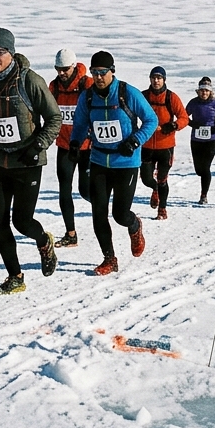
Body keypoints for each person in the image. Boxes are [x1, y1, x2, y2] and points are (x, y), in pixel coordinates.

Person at [0, 28, 60, 295]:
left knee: (22, 221)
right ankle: (15, 276)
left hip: (27, 161)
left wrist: (38, 145)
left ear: (11, 53)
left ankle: (43, 241)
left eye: (0, 52)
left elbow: (54, 118)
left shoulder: (29, 81)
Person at [68, 51, 156, 275]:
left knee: (120, 214)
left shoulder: (127, 93)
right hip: (99, 160)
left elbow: (151, 120)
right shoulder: (88, 97)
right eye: (94, 73)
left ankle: (134, 225)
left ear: (112, 71)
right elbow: (80, 124)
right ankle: (109, 259)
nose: (98, 77)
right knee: (98, 213)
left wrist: (135, 141)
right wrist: (75, 144)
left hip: (126, 162)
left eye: (102, 72)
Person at [48, 48, 91, 247]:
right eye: (58, 69)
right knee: (64, 190)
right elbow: (48, 112)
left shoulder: (86, 85)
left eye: (65, 69)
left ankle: (107, 209)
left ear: (73, 66)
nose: (61, 73)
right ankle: (71, 234)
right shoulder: (54, 87)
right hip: (65, 146)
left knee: (85, 190)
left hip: (87, 147)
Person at [141, 66, 189, 220]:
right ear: (150, 79)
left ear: (164, 80)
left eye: (159, 78)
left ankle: (162, 209)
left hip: (165, 146)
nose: (156, 81)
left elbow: (184, 118)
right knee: (146, 178)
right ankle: (154, 189)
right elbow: (132, 113)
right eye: (153, 78)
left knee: (162, 179)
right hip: (146, 144)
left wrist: (174, 125)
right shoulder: (143, 96)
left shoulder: (171, 97)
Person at [185, 77, 215, 204]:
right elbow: (184, 116)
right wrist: (192, 123)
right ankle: (203, 188)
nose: (204, 93)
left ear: (210, 92)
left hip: (211, 140)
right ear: (198, 91)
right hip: (196, 140)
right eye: (202, 90)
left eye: (207, 91)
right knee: (198, 170)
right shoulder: (193, 103)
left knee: (205, 168)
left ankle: (204, 195)